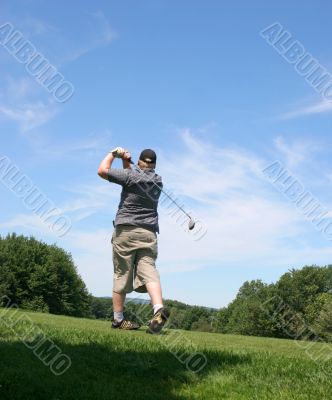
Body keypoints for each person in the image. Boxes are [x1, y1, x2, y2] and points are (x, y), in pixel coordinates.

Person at [97, 147, 169, 334]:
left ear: (140, 162)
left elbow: (102, 170)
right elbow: (132, 175)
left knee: (122, 273)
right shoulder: (158, 181)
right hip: (148, 233)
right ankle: (158, 308)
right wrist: (127, 162)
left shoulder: (130, 178)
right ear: (154, 164)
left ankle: (118, 319)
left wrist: (114, 154)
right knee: (149, 270)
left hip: (126, 231)